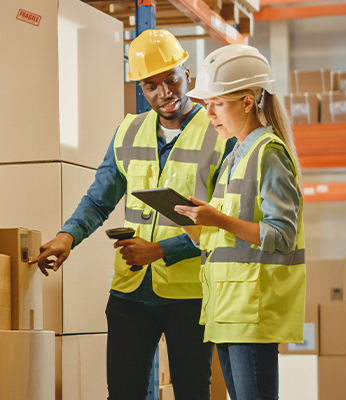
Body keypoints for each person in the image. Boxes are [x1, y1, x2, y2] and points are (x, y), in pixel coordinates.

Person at [28, 29, 235, 400]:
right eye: (151, 85)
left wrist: (161, 251)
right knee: (123, 394)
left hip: (192, 294)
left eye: (171, 79)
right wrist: (67, 236)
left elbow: (226, 224)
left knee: (192, 392)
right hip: (130, 291)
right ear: (141, 87)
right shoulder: (129, 130)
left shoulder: (220, 134)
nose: (164, 93)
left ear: (187, 74)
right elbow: (99, 199)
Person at [172, 44, 306, 400]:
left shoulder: (269, 153)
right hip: (228, 310)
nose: (208, 112)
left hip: (252, 311)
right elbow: (212, 240)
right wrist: (186, 218)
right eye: (205, 104)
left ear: (248, 101)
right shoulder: (234, 158)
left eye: (217, 102)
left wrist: (218, 218)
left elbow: (282, 236)